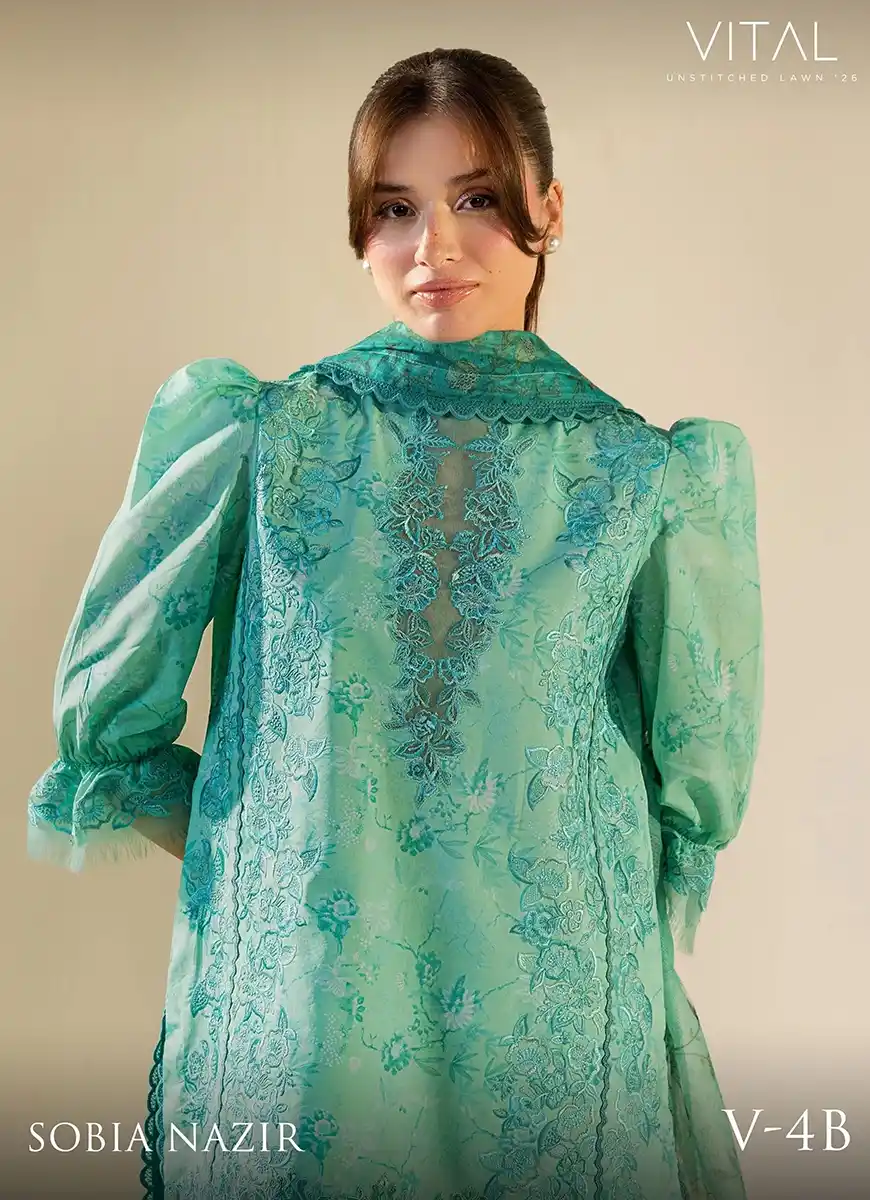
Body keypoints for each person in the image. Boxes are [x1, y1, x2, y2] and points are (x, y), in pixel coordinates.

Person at [26, 47, 764, 1200]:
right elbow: (107, 728)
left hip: (553, 1046)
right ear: (358, 231)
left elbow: (694, 782)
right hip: (307, 1041)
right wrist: (284, 856)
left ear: (549, 208)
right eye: (395, 209)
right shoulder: (261, 438)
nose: (435, 247)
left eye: (476, 199)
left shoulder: (644, 476)